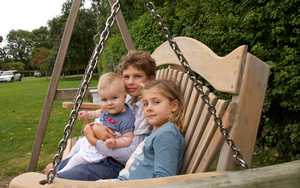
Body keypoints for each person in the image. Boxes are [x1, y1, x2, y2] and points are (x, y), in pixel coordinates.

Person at [55, 50, 157, 180]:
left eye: (137, 76)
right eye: (126, 77)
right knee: (59, 169)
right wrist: (92, 126)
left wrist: (95, 141)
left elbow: (130, 154)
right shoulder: (126, 99)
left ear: (151, 78)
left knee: (65, 178)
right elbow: (105, 112)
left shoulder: (147, 110)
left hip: (116, 163)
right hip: (98, 151)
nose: (130, 82)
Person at [57, 72, 135, 175]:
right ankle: (63, 163)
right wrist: (88, 114)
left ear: (125, 97)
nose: (109, 103)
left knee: (76, 159)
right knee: (77, 147)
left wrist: (116, 142)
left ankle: (60, 174)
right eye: (104, 99)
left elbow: (128, 138)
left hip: (100, 149)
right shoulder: (107, 109)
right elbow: (98, 112)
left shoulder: (126, 118)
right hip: (89, 140)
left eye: (114, 98)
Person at [118, 80, 185, 180]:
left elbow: (164, 180)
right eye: (145, 104)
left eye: (156, 102)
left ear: (173, 106)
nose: (149, 108)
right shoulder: (158, 130)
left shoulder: (167, 135)